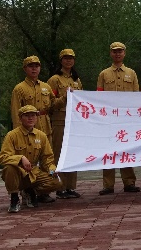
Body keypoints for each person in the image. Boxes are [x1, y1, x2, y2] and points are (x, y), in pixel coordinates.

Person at [0, 105, 63, 213]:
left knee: (56, 182)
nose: (30, 118)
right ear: (20, 118)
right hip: (18, 173)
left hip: (33, 172)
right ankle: (14, 198)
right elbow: (3, 157)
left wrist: (52, 170)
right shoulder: (12, 135)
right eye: (27, 116)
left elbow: (47, 159)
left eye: (33, 115)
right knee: (9, 168)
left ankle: (30, 191)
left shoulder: (41, 136)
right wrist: (20, 158)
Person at [96, 42, 141, 195]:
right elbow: (98, 97)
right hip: (109, 119)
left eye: (120, 51)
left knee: (126, 150)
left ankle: (129, 182)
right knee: (109, 151)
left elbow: (137, 97)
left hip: (126, 119)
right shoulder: (104, 74)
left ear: (124, 53)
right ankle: (108, 185)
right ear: (111, 53)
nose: (117, 54)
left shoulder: (131, 73)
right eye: (114, 51)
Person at [10, 55, 56, 203]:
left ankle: (43, 191)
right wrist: (18, 132)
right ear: (25, 69)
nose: (34, 69)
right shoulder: (19, 89)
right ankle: (26, 190)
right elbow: (16, 111)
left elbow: (54, 105)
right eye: (31, 66)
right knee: (28, 161)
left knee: (46, 158)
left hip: (45, 125)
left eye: (37, 66)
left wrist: (68, 97)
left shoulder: (46, 87)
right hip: (27, 128)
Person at [47, 48, 82, 199]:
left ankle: (70, 187)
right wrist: (64, 98)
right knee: (59, 154)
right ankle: (59, 186)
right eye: (66, 58)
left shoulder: (77, 80)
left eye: (71, 58)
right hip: (60, 121)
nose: (69, 60)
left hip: (74, 122)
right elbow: (50, 104)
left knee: (72, 154)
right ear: (61, 61)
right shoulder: (54, 80)